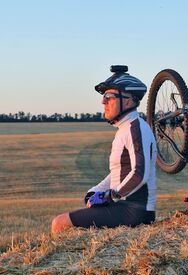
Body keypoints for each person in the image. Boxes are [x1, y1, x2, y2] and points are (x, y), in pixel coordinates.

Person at [51, 65, 157, 234]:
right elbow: (119, 172)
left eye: (109, 96)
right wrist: (97, 190)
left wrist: (110, 196)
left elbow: (139, 174)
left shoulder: (135, 128)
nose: (103, 101)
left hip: (134, 210)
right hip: (125, 207)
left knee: (59, 223)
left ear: (128, 100)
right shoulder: (126, 129)